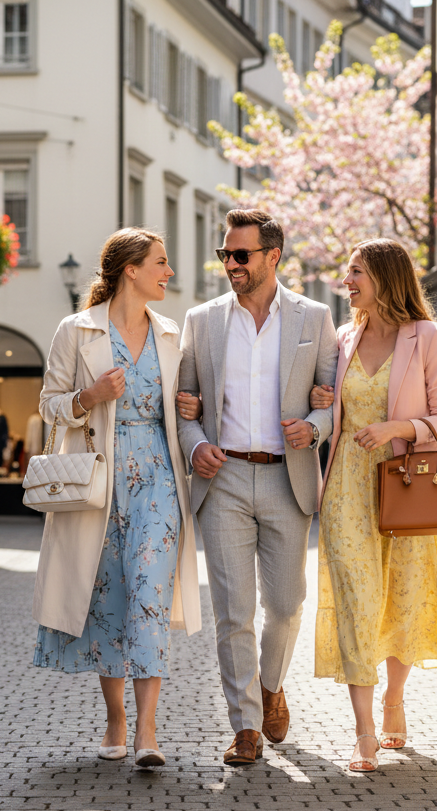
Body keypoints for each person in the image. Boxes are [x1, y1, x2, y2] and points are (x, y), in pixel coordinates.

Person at [31, 228, 201, 769]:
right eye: (160, 262)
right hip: (99, 482)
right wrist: (90, 396)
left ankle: (148, 730)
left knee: (150, 596)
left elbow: (180, 405)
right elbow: (49, 404)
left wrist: (192, 408)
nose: (168, 272)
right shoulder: (76, 329)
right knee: (108, 599)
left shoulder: (171, 334)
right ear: (131, 269)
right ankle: (116, 719)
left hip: (159, 480)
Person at [175, 208, 338, 766]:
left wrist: (314, 427)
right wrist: (196, 444)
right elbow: (185, 403)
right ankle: (245, 725)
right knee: (234, 611)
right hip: (221, 480)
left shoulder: (315, 317)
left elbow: (334, 399)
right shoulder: (202, 320)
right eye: (225, 254)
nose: (231, 264)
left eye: (241, 255)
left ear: (273, 256)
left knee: (287, 606)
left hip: (287, 478)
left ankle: (271, 686)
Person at [309, 238, 437, 772]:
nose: (347, 282)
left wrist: (397, 428)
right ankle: (363, 732)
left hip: (407, 487)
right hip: (347, 489)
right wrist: (319, 403)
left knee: (403, 597)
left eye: (356, 272)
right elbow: (330, 409)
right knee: (356, 602)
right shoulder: (342, 339)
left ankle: (394, 699)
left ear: (385, 276)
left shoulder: (430, 337)